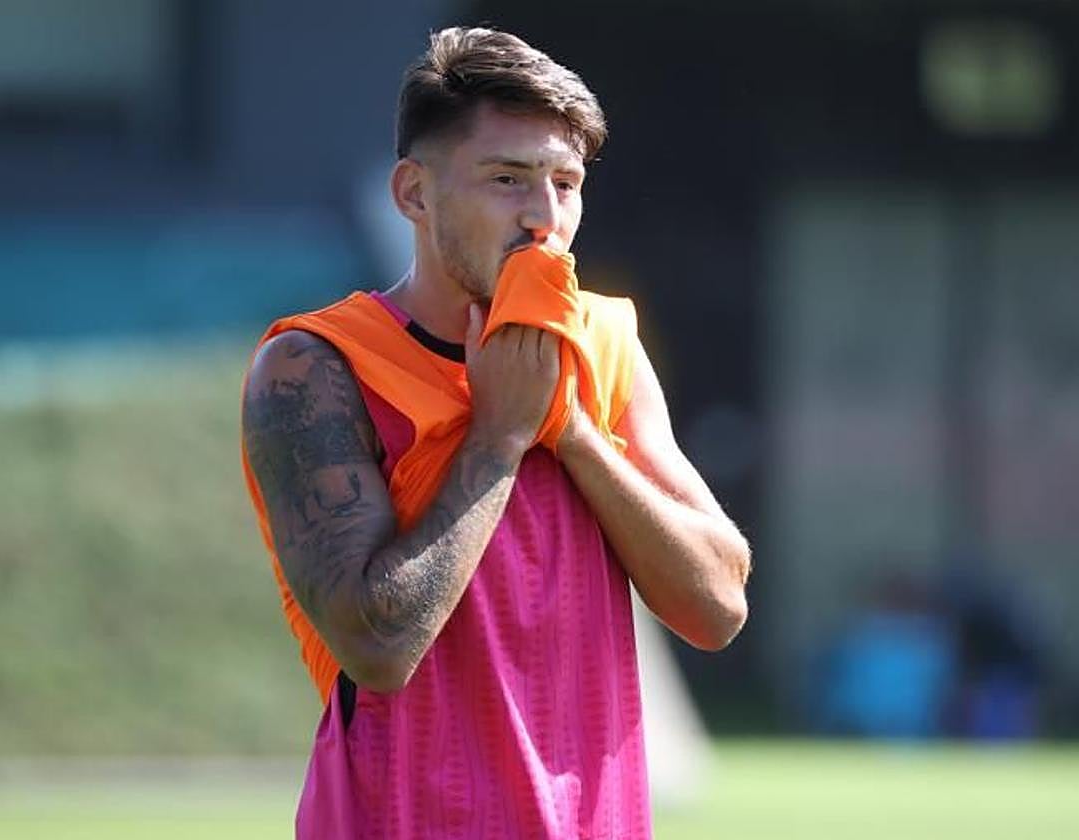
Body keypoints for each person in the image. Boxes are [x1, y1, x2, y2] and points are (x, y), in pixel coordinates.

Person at [241, 26, 750, 839]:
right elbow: (377, 646)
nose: (544, 218)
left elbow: (719, 605)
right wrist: (499, 440)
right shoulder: (314, 365)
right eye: (508, 180)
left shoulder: (606, 344)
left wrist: (574, 431)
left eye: (566, 183)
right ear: (414, 194)